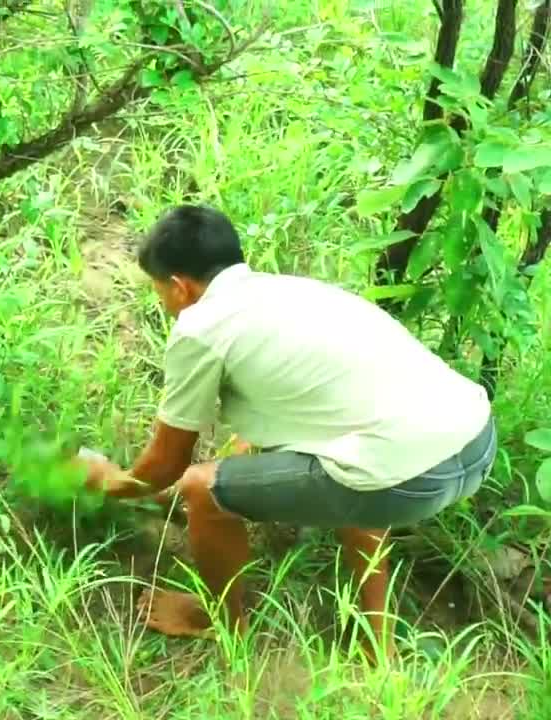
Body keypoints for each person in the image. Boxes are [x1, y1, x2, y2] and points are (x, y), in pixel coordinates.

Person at [78, 204, 497, 659]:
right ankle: (377, 644)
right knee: (356, 454)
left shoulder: (200, 327)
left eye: (160, 291)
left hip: (407, 478)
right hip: (474, 440)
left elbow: (166, 463)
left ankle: (221, 624)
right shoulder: (290, 292)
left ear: (178, 287)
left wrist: (113, 483)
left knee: (205, 488)